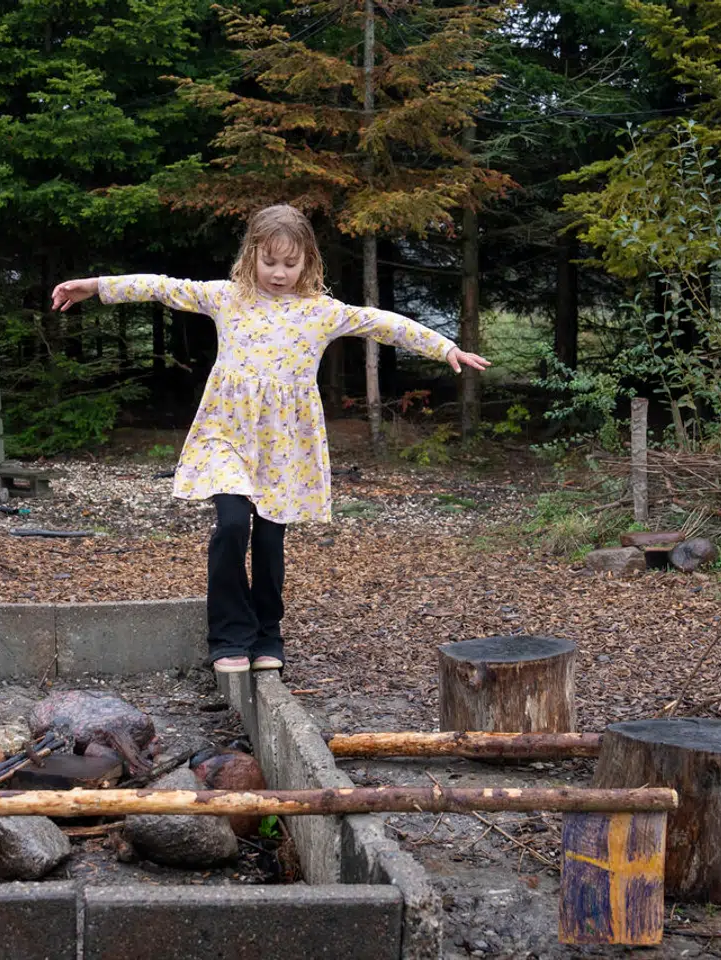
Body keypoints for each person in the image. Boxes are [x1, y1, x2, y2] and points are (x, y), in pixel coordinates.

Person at [51, 204, 489, 674]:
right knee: (233, 524)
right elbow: (163, 287)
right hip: (227, 435)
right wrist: (96, 287)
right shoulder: (228, 298)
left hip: (285, 448)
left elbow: (383, 323)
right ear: (251, 256)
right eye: (270, 262)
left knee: (269, 541)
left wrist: (445, 347)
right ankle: (227, 636)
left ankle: (266, 636)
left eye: (291, 263)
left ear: (308, 263)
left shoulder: (321, 313)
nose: (279, 273)